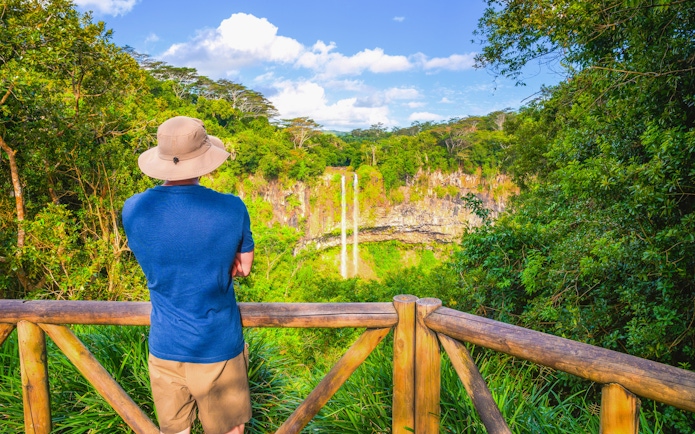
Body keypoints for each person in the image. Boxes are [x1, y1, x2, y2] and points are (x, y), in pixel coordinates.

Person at [122, 116, 254, 434]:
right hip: (217, 345)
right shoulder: (231, 208)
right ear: (204, 161)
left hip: (165, 346)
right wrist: (218, 262)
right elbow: (244, 268)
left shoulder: (133, 208)